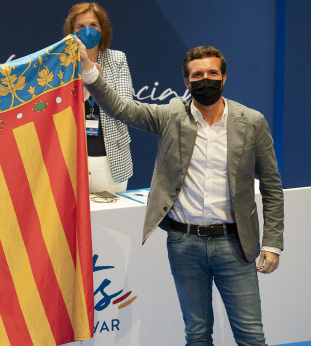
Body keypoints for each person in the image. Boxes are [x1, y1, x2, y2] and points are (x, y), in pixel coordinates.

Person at [80, 43, 284, 345]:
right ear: (187, 83)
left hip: (236, 244)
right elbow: (122, 108)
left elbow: (271, 185)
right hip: (184, 244)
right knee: (197, 335)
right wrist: (87, 69)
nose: (206, 80)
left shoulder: (251, 121)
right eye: (197, 75)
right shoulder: (171, 115)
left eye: (213, 73)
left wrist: (272, 242)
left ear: (224, 78)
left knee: (251, 336)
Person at [63, 2, 133, 193]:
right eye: (80, 27)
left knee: (111, 222)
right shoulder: (62, 64)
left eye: (93, 25)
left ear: (102, 29)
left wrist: (95, 82)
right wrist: (83, 94)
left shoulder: (117, 59)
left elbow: (125, 106)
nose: (87, 31)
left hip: (112, 161)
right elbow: (58, 110)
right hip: (72, 160)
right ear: (72, 32)